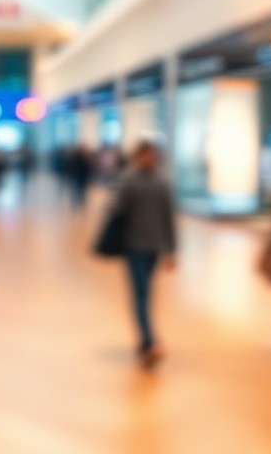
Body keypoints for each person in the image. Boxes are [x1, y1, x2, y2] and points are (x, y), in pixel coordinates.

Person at [113, 141, 178, 369]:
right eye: (144, 155)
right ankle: (149, 340)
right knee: (140, 293)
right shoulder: (129, 180)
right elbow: (117, 211)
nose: (148, 159)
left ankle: (145, 340)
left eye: (151, 155)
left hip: (154, 247)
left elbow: (168, 219)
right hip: (133, 247)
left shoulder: (162, 183)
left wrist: (171, 250)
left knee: (146, 292)